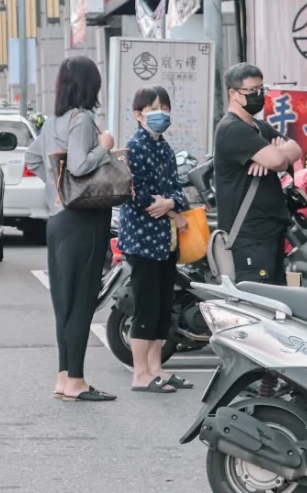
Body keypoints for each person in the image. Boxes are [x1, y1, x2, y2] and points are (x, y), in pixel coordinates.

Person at [25, 56, 118, 402]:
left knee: (63, 302)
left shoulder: (54, 121)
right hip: (83, 220)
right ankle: (76, 380)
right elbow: (80, 165)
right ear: (88, 84)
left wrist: (56, 189)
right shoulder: (82, 120)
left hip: (59, 219)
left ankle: (64, 376)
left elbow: (34, 159)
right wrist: (105, 147)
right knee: (81, 301)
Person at [118, 85, 193, 393]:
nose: (162, 113)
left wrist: (171, 204)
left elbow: (178, 190)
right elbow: (135, 194)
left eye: (165, 106)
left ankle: (156, 370)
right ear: (139, 115)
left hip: (166, 240)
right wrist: (165, 205)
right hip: (142, 240)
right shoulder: (133, 148)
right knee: (147, 307)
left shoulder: (164, 148)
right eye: (154, 108)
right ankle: (140, 374)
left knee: (163, 306)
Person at [213, 63, 303, 285]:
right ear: (234, 94)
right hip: (249, 235)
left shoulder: (260, 128)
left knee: (277, 298)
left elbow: (296, 149)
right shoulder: (232, 129)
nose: (258, 95)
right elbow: (279, 161)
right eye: (252, 91)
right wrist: (274, 157)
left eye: (261, 89)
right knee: (259, 302)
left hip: (270, 230)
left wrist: (274, 155)